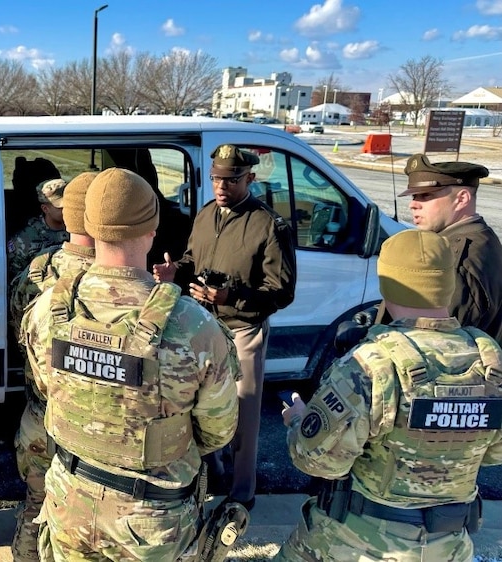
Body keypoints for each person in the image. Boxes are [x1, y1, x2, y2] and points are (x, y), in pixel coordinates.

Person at [22, 167, 241, 561]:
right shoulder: (194, 327)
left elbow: (45, 388)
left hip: (69, 502)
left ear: (89, 226)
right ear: (153, 228)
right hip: (151, 521)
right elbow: (217, 432)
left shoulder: (48, 309)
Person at [275, 229, 502, 562]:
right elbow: (495, 452)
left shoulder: (372, 362)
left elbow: (318, 461)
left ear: (388, 284)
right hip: (450, 546)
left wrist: (298, 420)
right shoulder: (490, 359)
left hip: (356, 543)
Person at [152, 144, 297, 509]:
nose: (221, 187)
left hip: (241, 331)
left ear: (250, 178)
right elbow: (191, 260)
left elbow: (282, 291)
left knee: (243, 417)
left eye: (231, 181)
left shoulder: (267, 225)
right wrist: (175, 273)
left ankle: (241, 494)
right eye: (217, 178)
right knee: (202, 408)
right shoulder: (205, 215)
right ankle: (213, 478)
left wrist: (231, 296)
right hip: (201, 327)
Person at [8, 171, 97, 562]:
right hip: (88, 433)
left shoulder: (36, 272)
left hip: (39, 417)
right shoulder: (111, 280)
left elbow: (22, 335)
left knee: (36, 507)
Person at [399, 153, 502, 343]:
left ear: (462, 199)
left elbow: (437, 343)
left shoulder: (456, 258)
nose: (413, 204)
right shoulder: (479, 237)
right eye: (414, 196)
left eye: (426, 196)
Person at [7, 178, 69, 285]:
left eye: (69, 205)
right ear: (45, 209)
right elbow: (13, 280)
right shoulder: (25, 238)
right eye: (61, 207)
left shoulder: (79, 231)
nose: (66, 210)